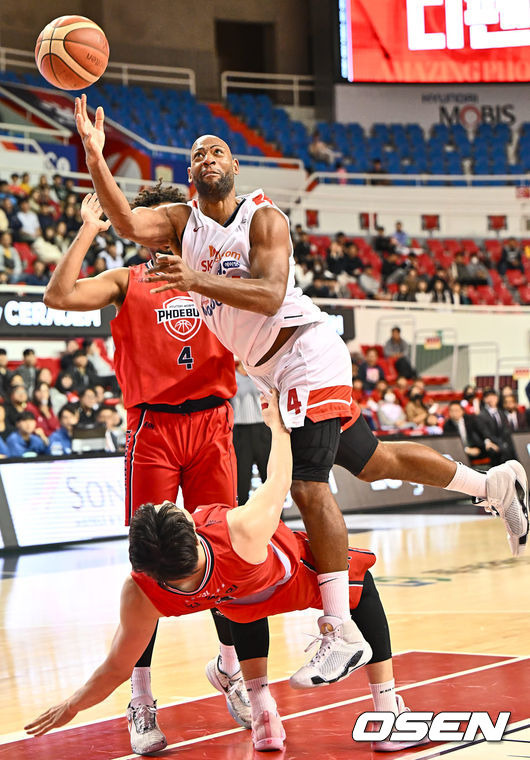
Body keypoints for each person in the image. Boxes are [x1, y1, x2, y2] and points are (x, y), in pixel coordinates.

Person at [75, 91, 529, 652]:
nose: (208, 157)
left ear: (235, 167)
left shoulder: (264, 218)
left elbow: (267, 295)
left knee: (311, 486)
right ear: (190, 172)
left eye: (217, 150)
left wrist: (195, 283)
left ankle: (338, 630)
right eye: (198, 154)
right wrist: (95, 154)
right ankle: (493, 483)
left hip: (303, 352)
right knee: (372, 460)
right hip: (276, 370)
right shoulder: (179, 223)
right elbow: (122, 220)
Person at [25, 392, 427, 754]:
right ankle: (388, 711)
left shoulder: (142, 591)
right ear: (187, 524)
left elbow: (114, 668)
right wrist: (277, 427)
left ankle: (263, 714)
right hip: (289, 581)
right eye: (171, 507)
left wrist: (73, 704)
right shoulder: (239, 531)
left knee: (238, 607)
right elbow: (279, 478)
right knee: (360, 582)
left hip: (234, 602)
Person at [43, 189, 261, 755]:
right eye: (152, 223)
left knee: (229, 555)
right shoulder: (125, 280)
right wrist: (89, 226)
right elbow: (59, 295)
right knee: (149, 565)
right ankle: (140, 699)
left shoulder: (215, 276)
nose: (162, 230)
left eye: (172, 222)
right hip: (155, 429)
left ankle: (231, 668)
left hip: (214, 422)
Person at [231, 360, 271, 506]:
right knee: (242, 481)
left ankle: (277, 521)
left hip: (263, 430)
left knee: (269, 479)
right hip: (241, 433)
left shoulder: (260, 374)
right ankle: (243, 523)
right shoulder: (232, 376)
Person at [475, 389, 517, 466]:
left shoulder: (501, 413)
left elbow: (506, 430)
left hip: (503, 443)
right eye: (488, 397)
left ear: (497, 398)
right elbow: (486, 433)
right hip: (491, 443)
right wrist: (500, 444)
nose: (491, 399)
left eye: (493, 396)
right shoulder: (481, 416)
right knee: (500, 451)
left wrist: (504, 443)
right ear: (484, 400)